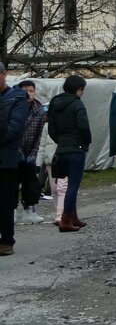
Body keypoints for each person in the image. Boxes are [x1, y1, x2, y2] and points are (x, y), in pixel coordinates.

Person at [47, 75, 90, 233]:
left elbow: (51, 128)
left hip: (61, 149)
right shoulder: (77, 104)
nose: (83, 92)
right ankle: (66, 219)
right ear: (78, 89)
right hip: (76, 148)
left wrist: (60, 141)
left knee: (66, 183)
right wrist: (86, 142)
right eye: (82, 89)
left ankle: (73, 216)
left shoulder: (55, 103)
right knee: (73, 185)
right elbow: (84, 126)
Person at [0, 61, 32, 256]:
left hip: (7, 159)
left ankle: (6, 240)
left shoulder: (16, 98)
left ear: (4, 74)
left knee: (5, 202)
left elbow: (14, 129)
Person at [15, 80, 44, 225]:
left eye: (31, 91)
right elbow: (12, 131)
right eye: (25, 91)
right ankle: (12, 210)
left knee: (31, 183)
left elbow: (39, 134)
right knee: (12, 183)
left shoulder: (39, 109)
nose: (28, 94)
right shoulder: (13, 107)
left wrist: (33, 153)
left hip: (30, 151)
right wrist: (18, 152)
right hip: (13, 152)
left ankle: (30, 210)